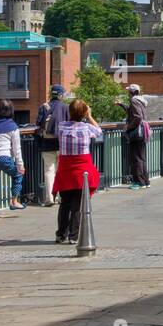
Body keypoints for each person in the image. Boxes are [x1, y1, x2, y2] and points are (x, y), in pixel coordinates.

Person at [54, 99, 102, 244]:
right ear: (84, 113)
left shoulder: (61, 127)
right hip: (82, 169)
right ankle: (73, 236)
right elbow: (99, 131)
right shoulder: (86, 128)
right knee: (77, 204)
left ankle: (61, 234)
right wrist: (89, 116)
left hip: (65, 168)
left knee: (65, 203)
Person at [34, 85, 69, 206]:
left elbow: (38, 124)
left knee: (49, 171)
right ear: (60, 95)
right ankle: (61, 197)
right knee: (61, 171)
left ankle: (49, 198)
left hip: (46, 143)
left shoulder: (44, 107)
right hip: (61, 144)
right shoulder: (65, 107)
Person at [117, 84, 151, 189]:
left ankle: (139, 182)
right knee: (141, 157)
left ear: (132, 92)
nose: (128, 93)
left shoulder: (133, 101)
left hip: (137, 132)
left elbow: (137, 117)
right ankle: (145, 182)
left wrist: (127, 127)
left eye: (129, 92)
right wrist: (121, 104)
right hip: (143, 130)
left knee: (136, 158)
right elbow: (133, 112)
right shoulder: (140, 101)